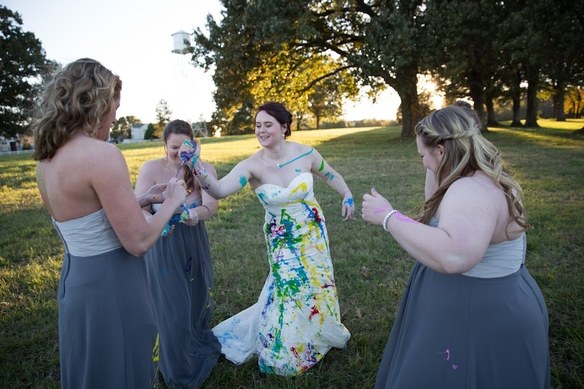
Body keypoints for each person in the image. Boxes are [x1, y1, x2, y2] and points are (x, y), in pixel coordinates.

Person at [361, 104, 550, 388]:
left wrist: (388, 217)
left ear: (441, 151)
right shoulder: (466, 178)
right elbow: (434, 204)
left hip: (478, 315)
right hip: (477, 303)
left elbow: (455, 256)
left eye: (423, 155)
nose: (422, 162)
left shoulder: (470, 190)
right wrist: (439, 158)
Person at [32, 58, 188, 389]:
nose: (114, 120)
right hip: (113, 284)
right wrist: (173, 200)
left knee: (94, 370)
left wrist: (142, 201)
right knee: (124, 369)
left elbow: (85, 219)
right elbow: (139, 240)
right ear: (97, 104)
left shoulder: (45, 161)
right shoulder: (101, 155)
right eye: (114, 111)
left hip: (76, 283)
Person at [179, 101, 354, 376]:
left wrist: (347, 195)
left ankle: (319, 334)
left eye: (267, 125)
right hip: (282, 241)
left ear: (284, 127)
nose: (261, 130)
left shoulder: (306, 153)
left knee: (318, 283)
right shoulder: (252, 166)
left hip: (313, 234)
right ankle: (291, 346)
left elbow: (330, 174)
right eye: (257, 125)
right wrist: (196, 166)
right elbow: (220, 189)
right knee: (289, 288)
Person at [134, 119, 221, 388]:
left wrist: (195, 214)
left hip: (193, 240)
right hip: (162, 243)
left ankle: (190, 342)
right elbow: (141, 208)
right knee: (171, 304)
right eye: (173, 147)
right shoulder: (151, 169)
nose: (178, 153)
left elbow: (212, 206)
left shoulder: (204, 169)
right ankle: (175, 364)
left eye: (184, 147)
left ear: (193, 145)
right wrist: (156, 223)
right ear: (164, 145)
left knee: (194, 296)